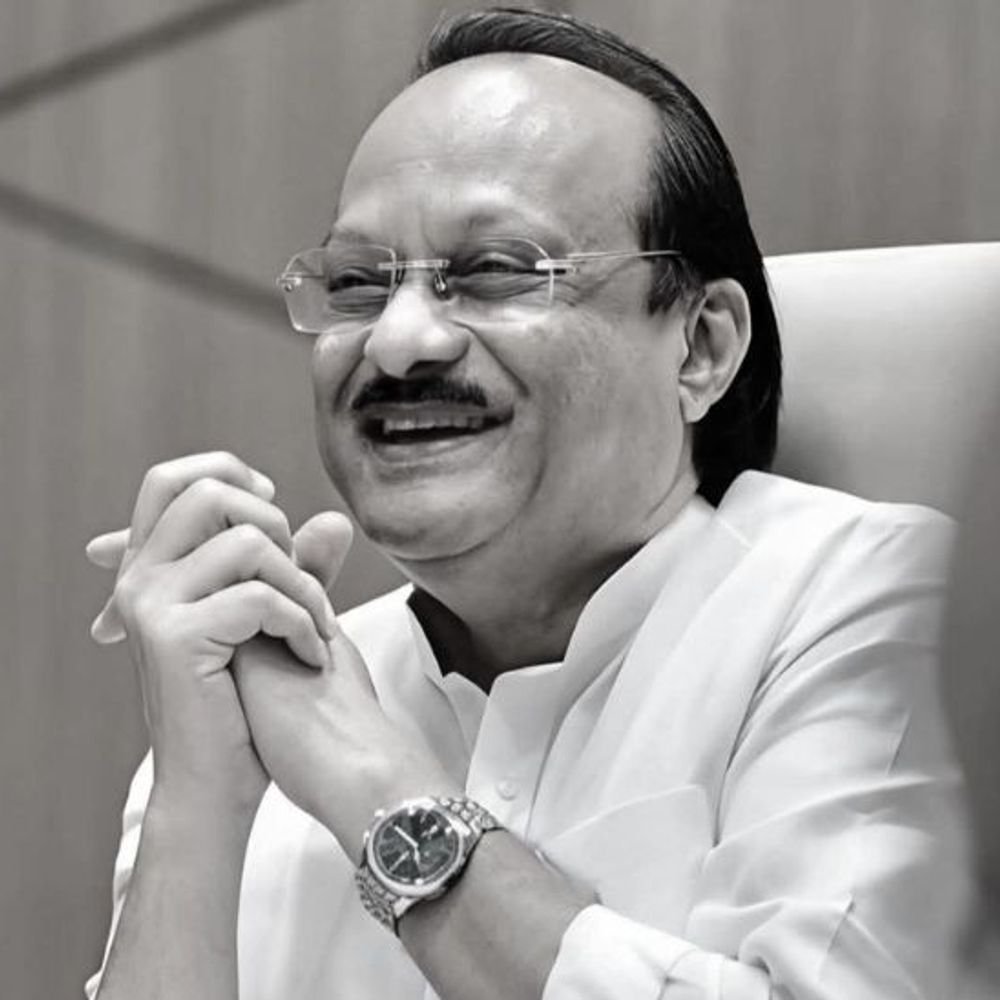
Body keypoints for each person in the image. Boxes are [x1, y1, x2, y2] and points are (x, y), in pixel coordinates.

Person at [84, 8, 971, 999]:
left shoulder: (885, 607)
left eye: (494, 272)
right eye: (358, 283)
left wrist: (373, 784)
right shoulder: (275, 682)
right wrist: (194, 801)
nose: (397, 341)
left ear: (701, 347)